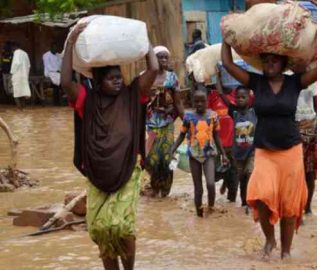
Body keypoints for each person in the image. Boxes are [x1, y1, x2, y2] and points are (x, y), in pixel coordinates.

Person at [221, 22, 317, 259]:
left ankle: (286, 252)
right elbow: (228, 64)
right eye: (266, 61)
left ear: (283, 63)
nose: (269, 65)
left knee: (290, 205)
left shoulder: (294, 82)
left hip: (290, 151)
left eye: (274, 61)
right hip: (264, 150)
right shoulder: (256, 83)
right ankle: (270, 241)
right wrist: (227, 39)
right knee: (260, 194)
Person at [61, 23, 159, 270]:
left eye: (119, 77)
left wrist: (144, 40)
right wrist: (70, 44)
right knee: (99, 229)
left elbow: (154, 68)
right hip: (98, 171)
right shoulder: (88, 100)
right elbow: (65, 83)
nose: (118, 82)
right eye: (112, 79)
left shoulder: (132, 94)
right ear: (98, 81)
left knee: (122, 227)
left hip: (127, 169)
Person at [171, 90, 229, 217]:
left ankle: (211, 208)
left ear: (207, 102)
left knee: (210, 184)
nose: (199, 104)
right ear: (192, 102)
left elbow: (216, 136)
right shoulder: (188, 117)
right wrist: (172, 149)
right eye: (196, 101)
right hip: (194, 155)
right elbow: (181, 135)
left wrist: (223, 154)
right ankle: (199, 214)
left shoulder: (213, 116)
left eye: (202, 101)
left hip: (209, 155)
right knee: (198, 189)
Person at [144, 45, 184, 198]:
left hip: (167, 124)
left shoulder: (172, 78)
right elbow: (139, 103)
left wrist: (188, 123)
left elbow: (178, 103)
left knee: (167, 159)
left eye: (166, 57)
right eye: (160, 57)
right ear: (153, 60)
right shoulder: (146, 77)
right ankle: (154, 187)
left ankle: (165, 193)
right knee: (152, 160)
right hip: (151, 126)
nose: (163, 60)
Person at [219, 85, 257, 213]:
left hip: (252, 152)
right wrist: (216, 80)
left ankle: (251, 204)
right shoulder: (233, 112)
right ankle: (244, 203)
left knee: (250, 174)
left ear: (249, 97)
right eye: (238, 97)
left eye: (243, 97)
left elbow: (260, 95)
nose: (240, 99)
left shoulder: (254, 111)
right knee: (242, 179)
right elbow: (222, 96)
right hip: (238, 155)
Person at [207, 79, 238, 202]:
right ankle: (225, 178)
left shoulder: (238, 94)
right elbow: (206, 117)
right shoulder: (213, 96)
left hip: (233, 145)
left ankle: (232, 203)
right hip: (216, 144)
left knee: (234, 176)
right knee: (213, 174)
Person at [295, 81, 317, 214]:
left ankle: (308, 207)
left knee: (310, 171)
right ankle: (298, 207)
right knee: (296, 173)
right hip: (294, 129)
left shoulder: (313, 81)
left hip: (312, 129)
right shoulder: (287, 79)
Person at [10, 42, 31, 109]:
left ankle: (19, 109)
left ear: (14, 47)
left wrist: (12, 72)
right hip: (24, 76)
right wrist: (26, 74)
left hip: (17, 75)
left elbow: (16, 63)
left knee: (16, 93)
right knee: (23, 92)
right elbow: (29, 65)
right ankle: (24, 108)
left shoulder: (16, 53)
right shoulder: (25, 53)